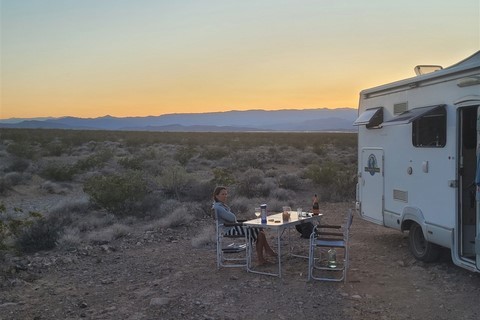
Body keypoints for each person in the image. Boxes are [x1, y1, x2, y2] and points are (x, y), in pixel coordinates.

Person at [212, 186, 276, 265]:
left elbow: (232, 219)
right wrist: (234, 218)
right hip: (227, 230)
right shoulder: (218, 207)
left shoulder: (220, 206)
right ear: (216, 196)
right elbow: (232, 218)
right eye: (223, 194)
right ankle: (264, 255)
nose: (225, 196)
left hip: (230, 227)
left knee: (259, 230)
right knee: (259, 231)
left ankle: (265, 253)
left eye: (226, 194)